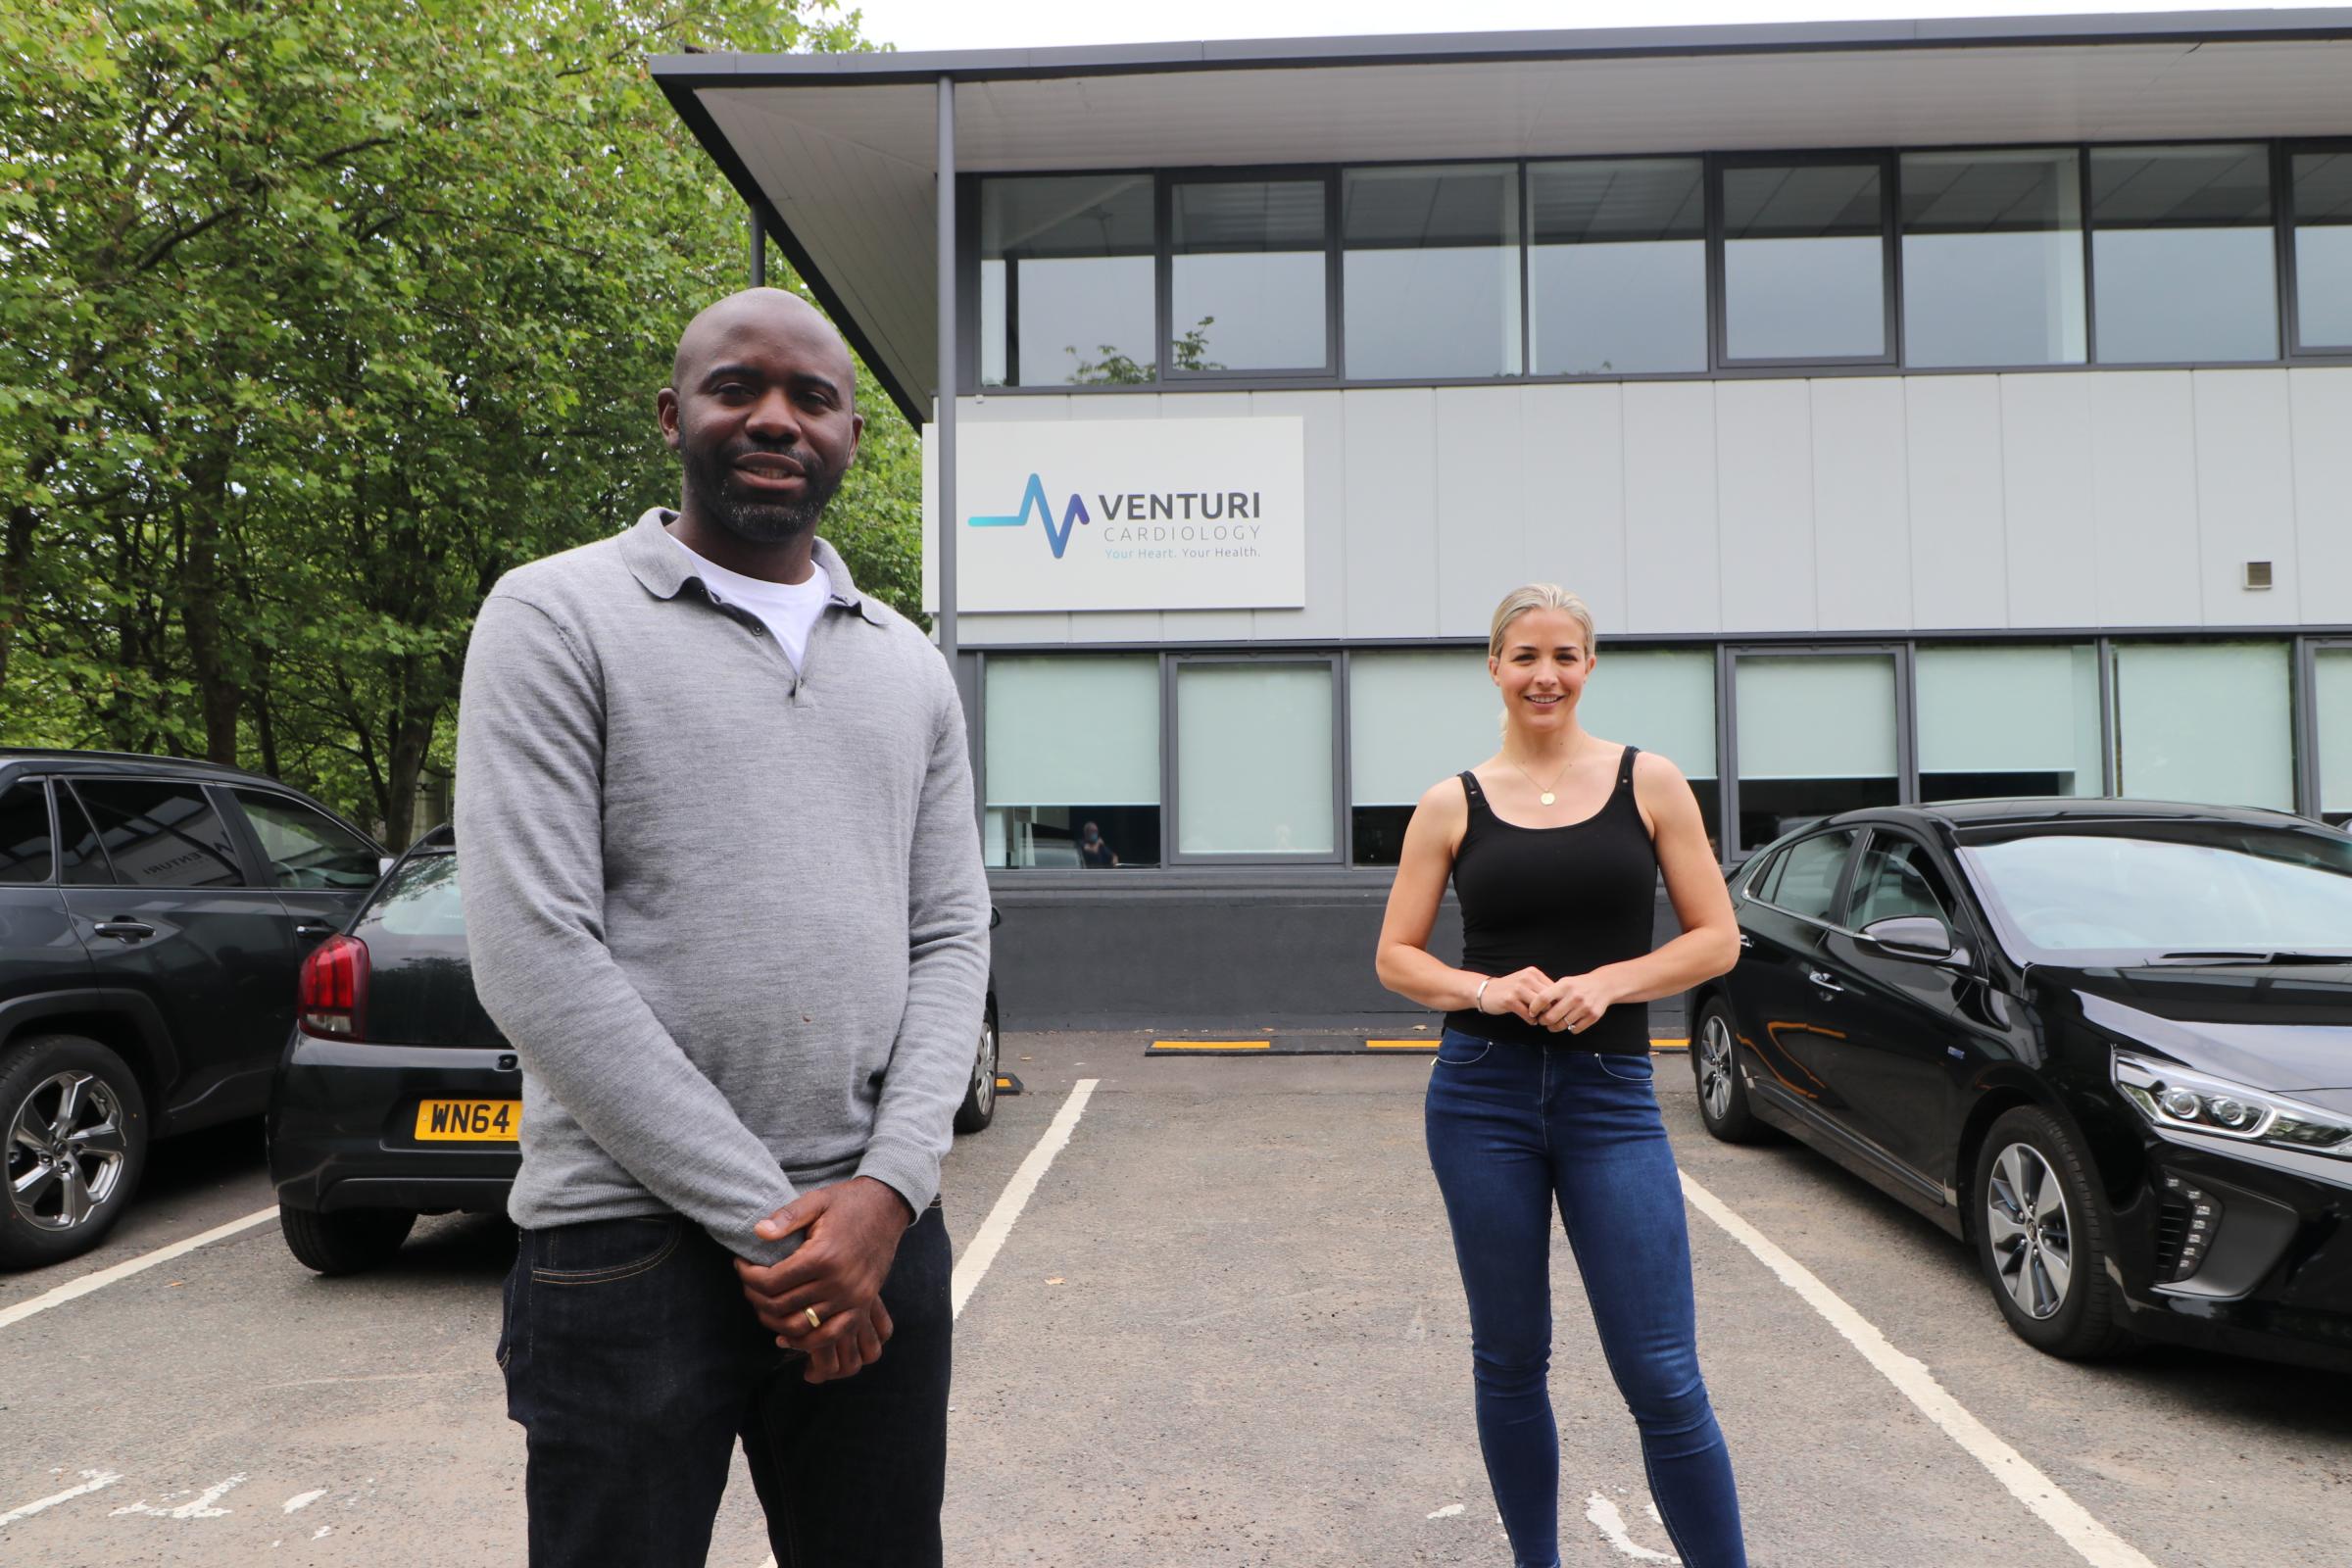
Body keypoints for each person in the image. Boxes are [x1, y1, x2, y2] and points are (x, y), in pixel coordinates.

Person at [455, 288, 991, 1568]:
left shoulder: (909, 666)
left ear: (856, 435)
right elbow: (535, 956)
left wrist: (885, 1195)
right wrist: (781, 1231)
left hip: (880, 1237)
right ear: (671, 415)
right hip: (625, 1250)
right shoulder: (554, 618)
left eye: (813, 397)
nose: (775, 417)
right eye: (736, 386)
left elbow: (953, 939)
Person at [1373, 584, 1747, 1568]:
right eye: (1525, 655)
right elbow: (1397, 958)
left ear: (1590, 666)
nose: (1546, 675)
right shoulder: (1451, 801)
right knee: (1509, 1360)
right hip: (1482, 1094)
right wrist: (1486, 988)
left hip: (1611, 1100)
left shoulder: (1649, 782)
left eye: (1565, 656)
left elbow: (1718, 939)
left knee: (1663, 1373)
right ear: (1493, 666)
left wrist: (1613, 982)